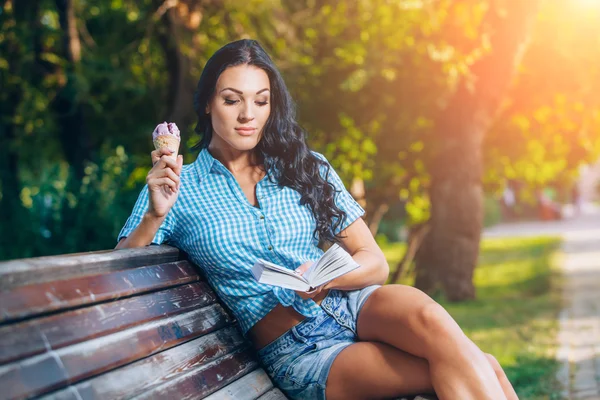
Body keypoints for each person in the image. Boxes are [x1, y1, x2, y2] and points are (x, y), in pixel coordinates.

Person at [116, 39, 518, 400]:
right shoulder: (176, 186)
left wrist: (328, 278)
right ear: (207, 103)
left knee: (447, 335)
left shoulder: (304, 167)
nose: (247, 115)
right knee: (477, 365)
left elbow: (375, 261)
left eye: (261, 100)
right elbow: (119, 272)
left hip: (354, 303)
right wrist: (155, 215)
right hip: (300, 348)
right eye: (231, 99)